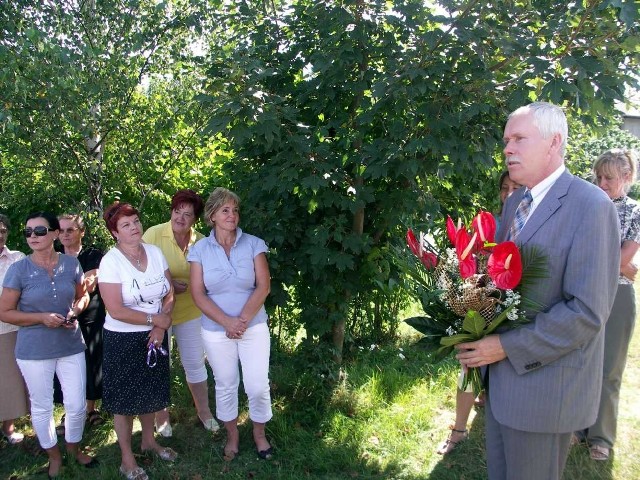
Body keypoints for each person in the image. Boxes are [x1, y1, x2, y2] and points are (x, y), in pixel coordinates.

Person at [455, 102, 620, 480]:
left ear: (554, 142)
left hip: (546, 391)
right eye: (506, 141)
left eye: (518, 139)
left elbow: (587, 311)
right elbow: (499, 284)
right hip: (500, 386)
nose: (507, 149)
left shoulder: (590, 206)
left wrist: (505, 347)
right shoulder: (516, 202)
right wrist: (467, 314)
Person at [0, 212, 97, 478]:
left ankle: (74, 449)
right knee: (42, 406)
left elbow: (83, 296)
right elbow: (5, 312)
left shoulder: (70, 264)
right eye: (28, 232)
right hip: (33, 351)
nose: (33, 236)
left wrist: (75, 311)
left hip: (71, 344)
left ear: (55, 234)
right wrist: (40, 318)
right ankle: (54, 456)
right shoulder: (19, 268)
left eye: (40, 231)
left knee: (76, 405)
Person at [437, 171, 522, 455]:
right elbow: (473, 257)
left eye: (516, 187)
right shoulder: (491, 223)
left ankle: (496, 406)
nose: (509, 193)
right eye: (504, 188)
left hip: (512, 302)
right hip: (481, 300)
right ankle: (459, 428)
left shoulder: (529, 223)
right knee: (470, 362)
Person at [188, 187, 273, 461]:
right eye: (226, 210)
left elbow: (264, 286)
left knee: (258, 384)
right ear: (212, 215)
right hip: (216, 330)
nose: (232, 215)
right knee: (225, 383)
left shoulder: (253, 244)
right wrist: (226, 322)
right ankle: (232, 436)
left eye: (235, 210)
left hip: (254, 326)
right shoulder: (199, 250)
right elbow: (198, 294)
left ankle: (259, 434)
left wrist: (242, 321)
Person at [99, 202, 176, 480]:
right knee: (124, 401)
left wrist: (161, 322)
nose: (134, 228)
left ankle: (149, 441)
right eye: (125, 225)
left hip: (155, 332)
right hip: (122, 339)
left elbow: (168, 292)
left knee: (150, 393)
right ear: (115, 232)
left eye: (135, 221)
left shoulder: (155, 252)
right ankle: (126, 459)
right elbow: (116, 309)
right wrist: (153, 322)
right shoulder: (111, 261)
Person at [577, 148, 640, 461]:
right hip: (584, 292)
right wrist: (623, 264)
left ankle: (601, 437)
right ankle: (577, 427)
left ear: (627, 178)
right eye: (598, 177)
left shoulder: (636, 211)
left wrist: (622, 264)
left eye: (609, 178)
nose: (601, 183)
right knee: (581, 361)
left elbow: (622, 260)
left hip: (618, 297)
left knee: (609, 371)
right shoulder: (587, 205)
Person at [142, 189, 218, 435]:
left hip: (191, 312)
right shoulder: (153, 234)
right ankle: (161, 417)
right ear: (171, 211)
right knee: (160, 364)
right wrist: (169, 284)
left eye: (187, 214)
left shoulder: (203, 241)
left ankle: (204, 412)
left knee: (195, 363)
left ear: (195, 219)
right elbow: (138, 270)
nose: (180, 218)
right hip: (159, 312)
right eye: (177, 211)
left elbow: (210, 276)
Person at [55, 214, 106, 429]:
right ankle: (71, 411)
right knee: (68, 366)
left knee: (91, 362)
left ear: (81, 232)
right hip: (62, 320)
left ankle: (90, 409)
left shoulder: (93, 254)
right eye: (62, 230)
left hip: (91, 319)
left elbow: (90, 285)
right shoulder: (54, 257)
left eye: (71, 230)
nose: (65, 234)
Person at [0, 214, 28, 445]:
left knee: (9, 380)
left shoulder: (17, 259)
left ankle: (8, 428)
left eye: (2, 230)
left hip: (9, 328)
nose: (0, 235)